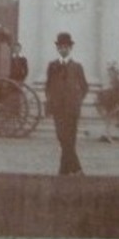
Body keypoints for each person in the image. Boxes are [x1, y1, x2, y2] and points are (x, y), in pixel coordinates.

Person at [45, 32, 89, 175]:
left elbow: (84, 87)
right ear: (58, 48)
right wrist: (51, 99)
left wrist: (77, 100)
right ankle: (76, 168)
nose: (63, 49)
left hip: (72, 109)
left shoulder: (77, 67)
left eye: (66, 47)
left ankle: (63, 171)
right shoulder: (52, 66)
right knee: (62, 137)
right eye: (61, 47)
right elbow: (48, 86)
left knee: (70, 138)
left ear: (70, 48)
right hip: (58, 108)